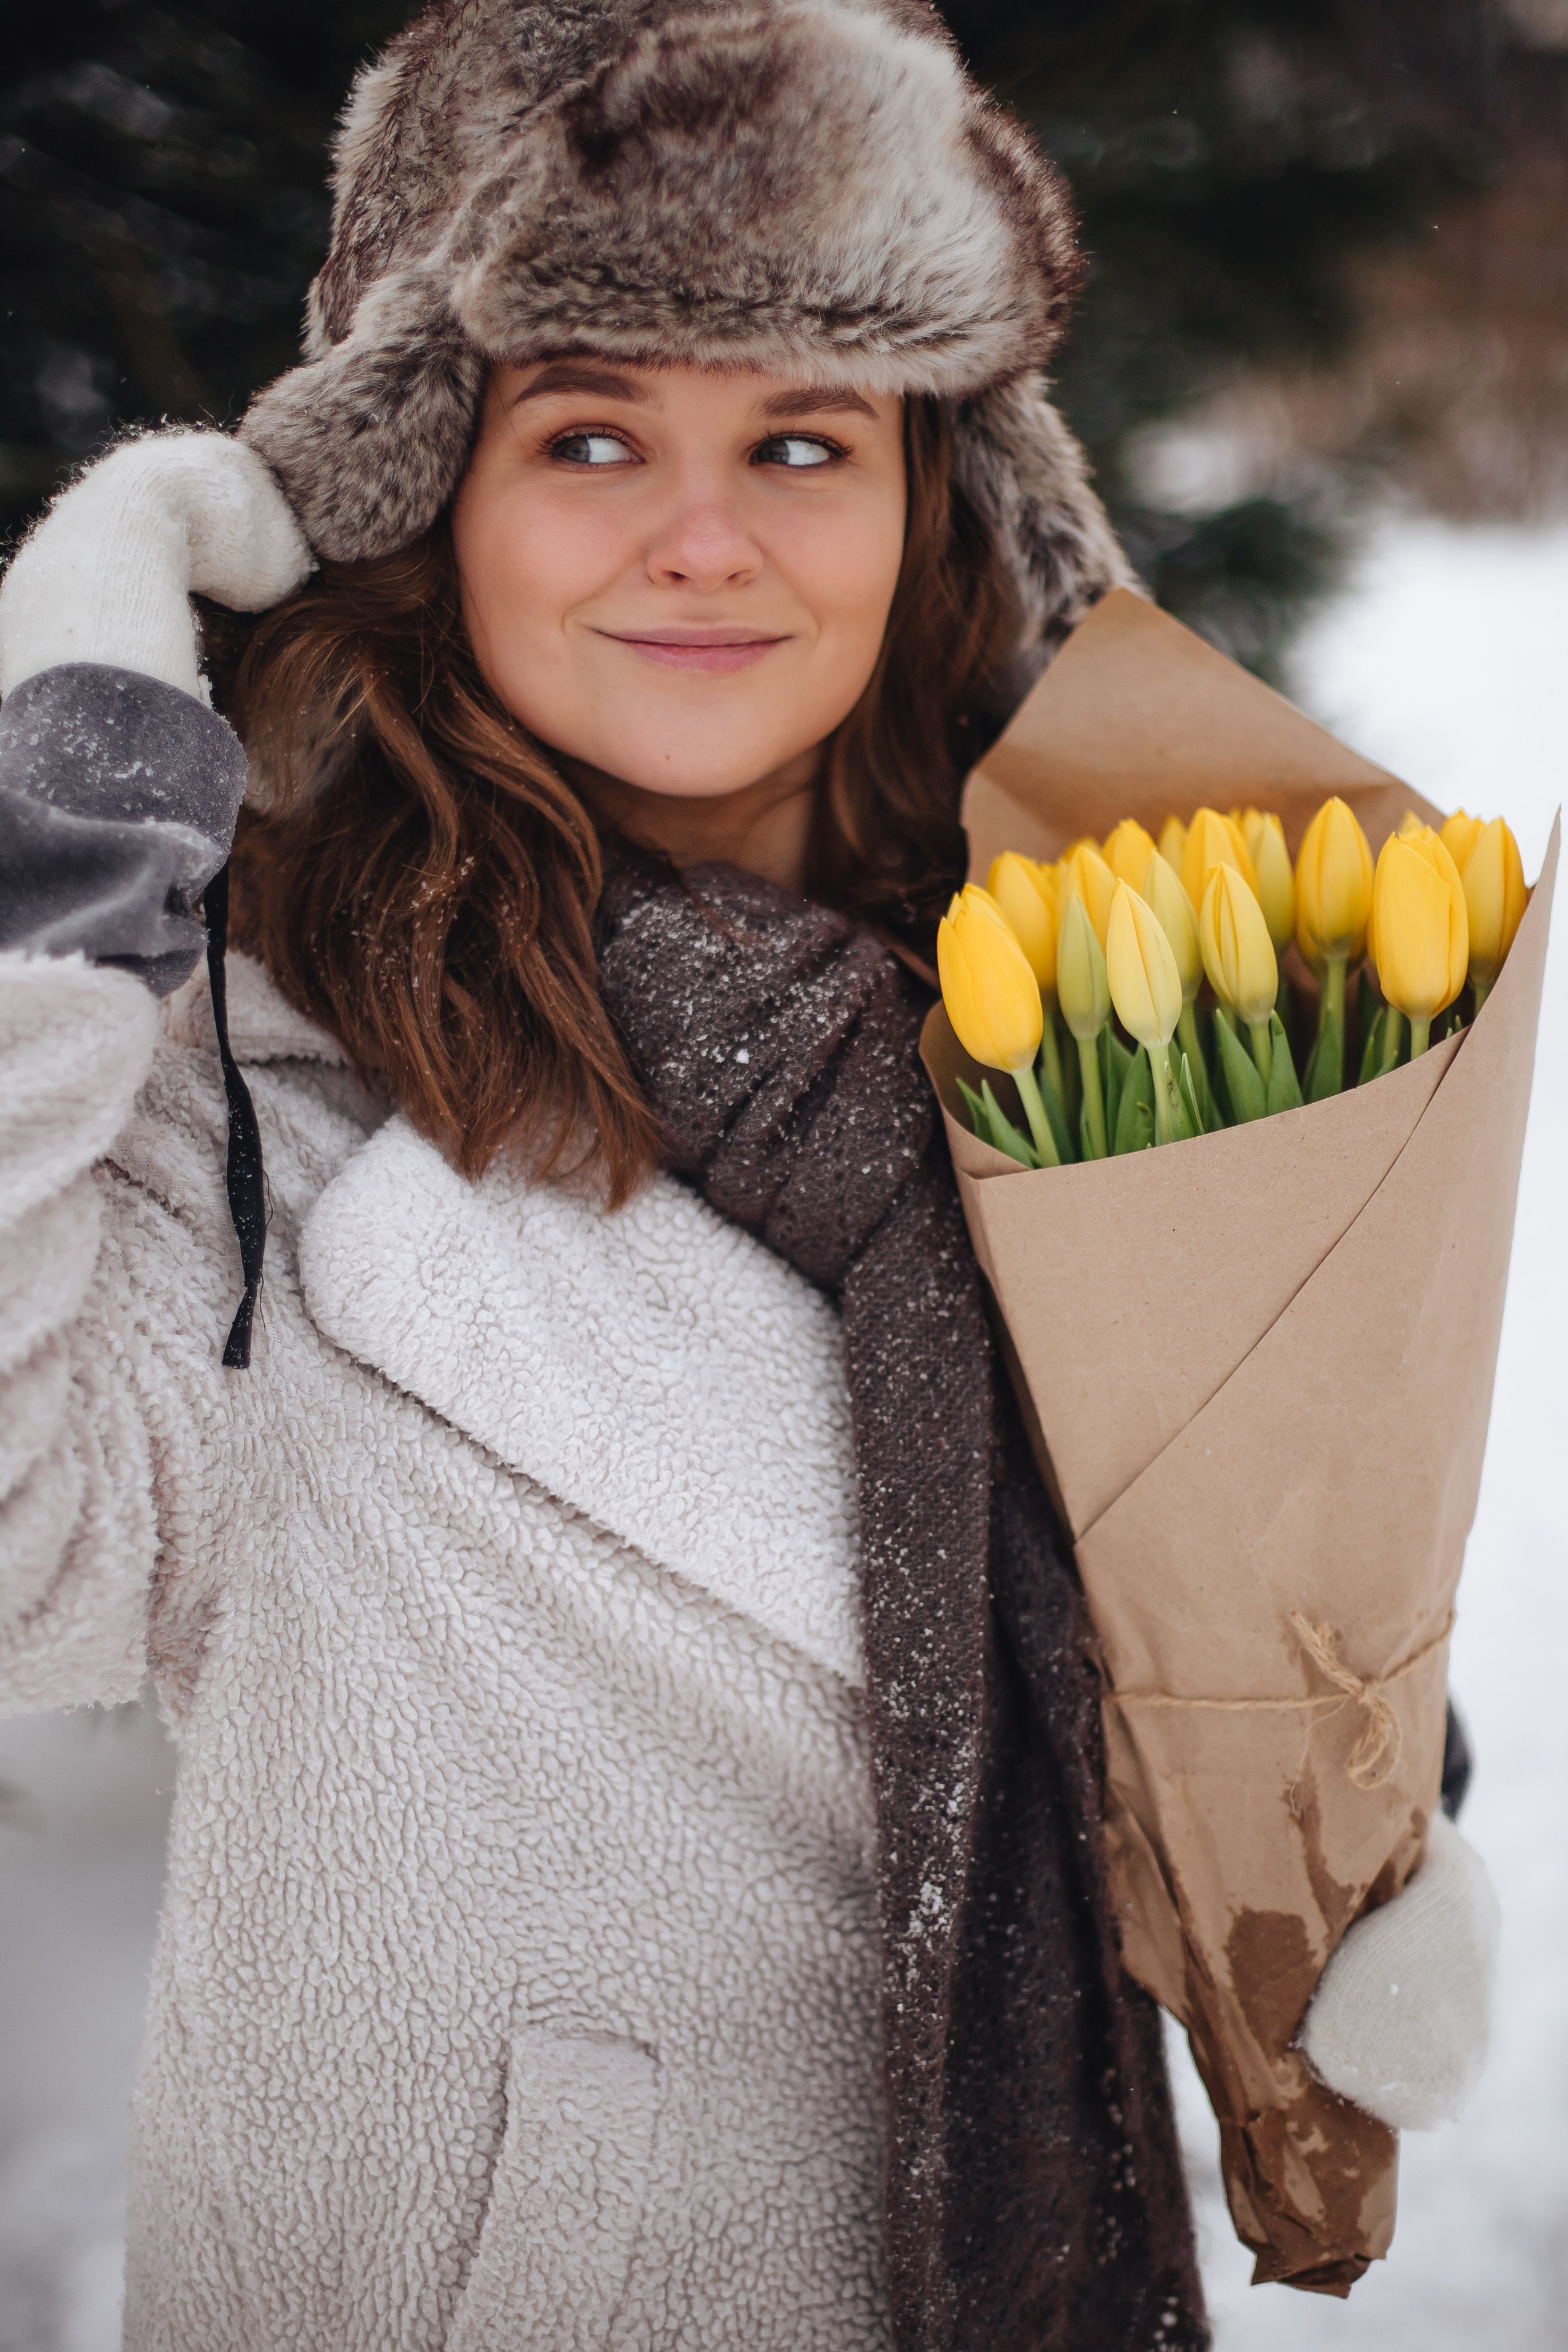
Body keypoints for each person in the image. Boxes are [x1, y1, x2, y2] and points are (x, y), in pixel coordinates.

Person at [0, 4, 1498, 2347]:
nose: (705, 539)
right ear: (415, 494)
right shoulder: (245, 1064)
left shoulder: (1117, 1047)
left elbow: (1219, 1558)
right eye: (589, 432)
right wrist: (64, 843)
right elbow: (26, 1553)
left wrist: (1327, 1755)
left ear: (937, 504)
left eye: (802, 439)